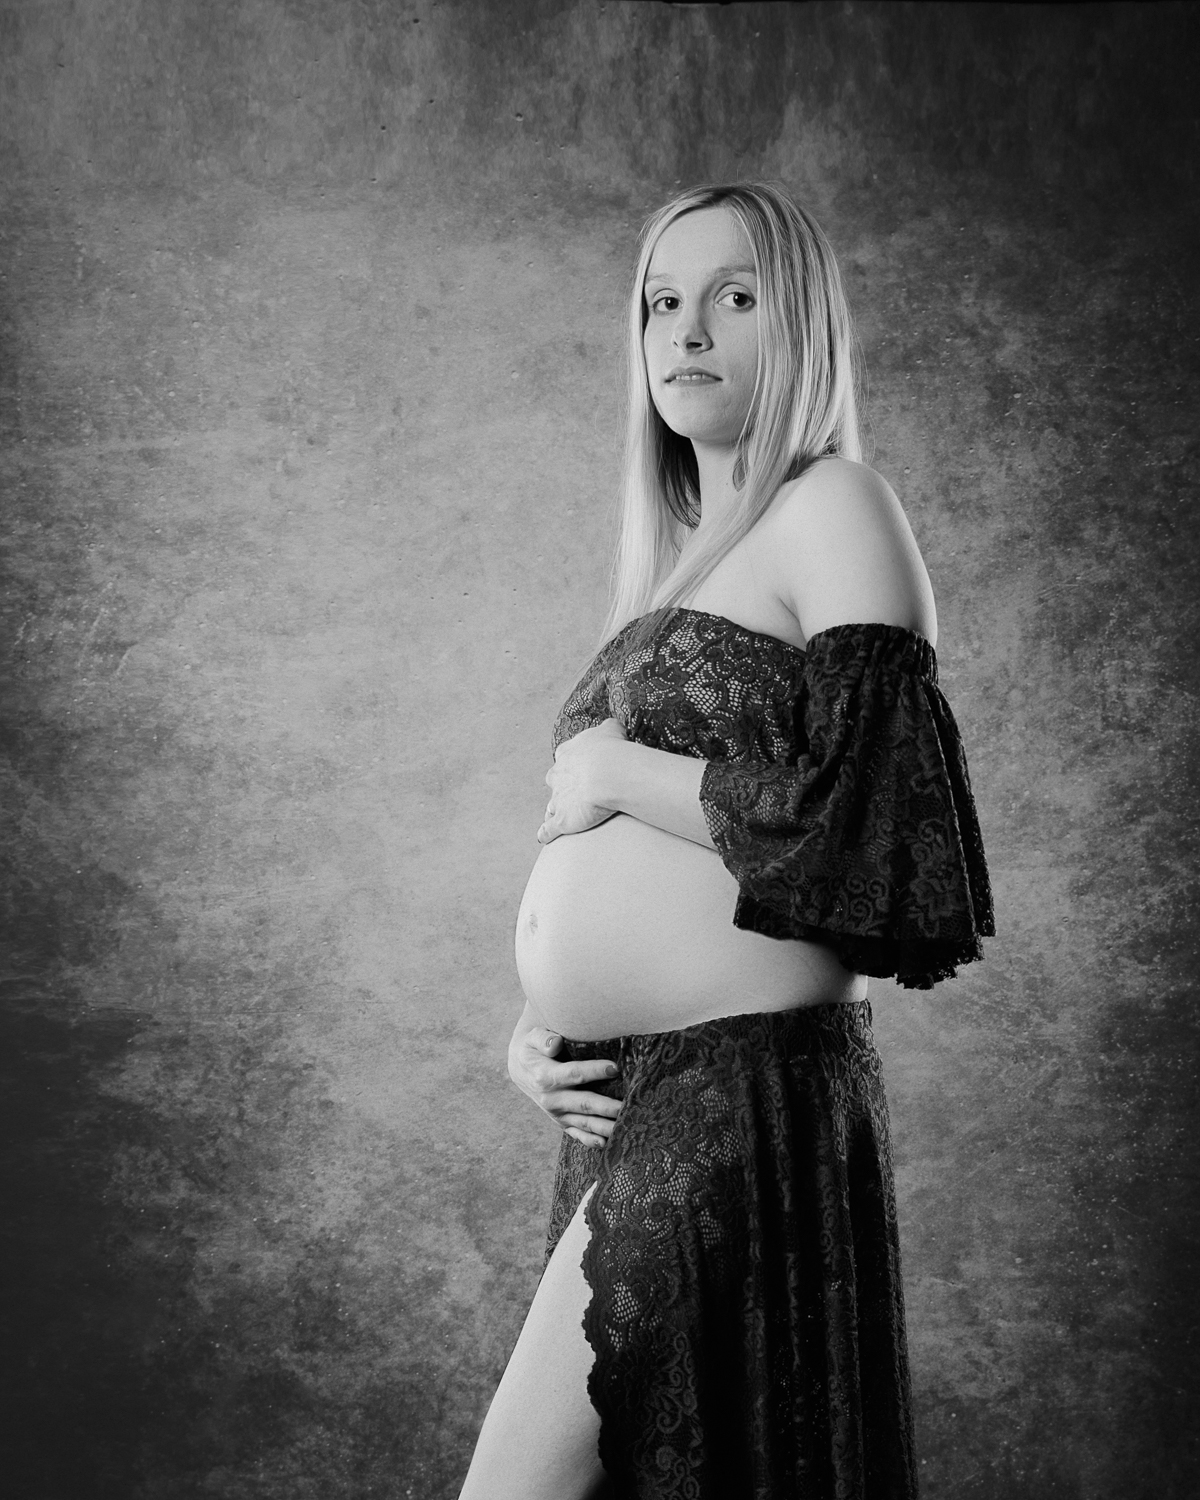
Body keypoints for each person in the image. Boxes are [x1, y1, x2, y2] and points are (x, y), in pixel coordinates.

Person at [459, 182, 993, 1500]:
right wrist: (542, 1033)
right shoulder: (678, 565)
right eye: (660, 300)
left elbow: (879, 845)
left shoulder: (838, 508)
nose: (685, 328)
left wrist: (618, 769)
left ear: (798, 323)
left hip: (740, 1099)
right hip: (627, 1098)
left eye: (733, 295)